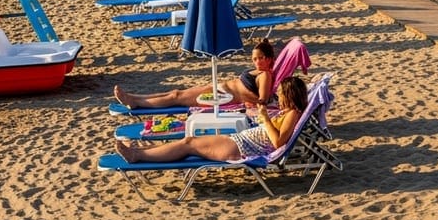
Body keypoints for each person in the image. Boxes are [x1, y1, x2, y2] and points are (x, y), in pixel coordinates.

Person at [115, 75, 308, 164]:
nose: (279, 97)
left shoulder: (293, 113)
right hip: (242, 140)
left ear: (290, 95)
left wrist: (265, 118)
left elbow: (277, 142)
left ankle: (137, 155)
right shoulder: (289, 113)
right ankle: (138, 152)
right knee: (188, 142)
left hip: (242, 147)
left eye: (281, 94)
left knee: (189, 143)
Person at [113, 39, 277, 109]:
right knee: (175, 92)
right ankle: (135, 98)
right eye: (254, 59)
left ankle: (138, 102)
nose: (257, 62)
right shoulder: (258, 71)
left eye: (261, 58)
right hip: (218, 89)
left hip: (222, 96)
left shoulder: (265, 76)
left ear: (269, 59)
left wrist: (245, 98)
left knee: (177, 97)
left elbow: (262, 100)